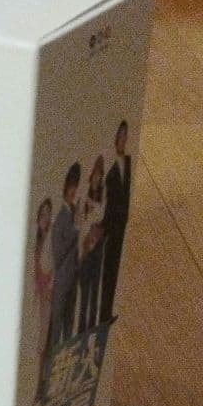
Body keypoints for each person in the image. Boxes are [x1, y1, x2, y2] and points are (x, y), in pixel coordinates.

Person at [100, 120, 132, 322]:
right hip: (111, 226)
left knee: (116, 268)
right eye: (119, 136)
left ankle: (108, 311)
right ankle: (104, 312)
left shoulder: (128, 162)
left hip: (122, 225)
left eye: (124, 136)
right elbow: (106, 201)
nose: (122, 139)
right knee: (109, 269)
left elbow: (127, 193)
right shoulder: (110, 168)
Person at [49, 161, 81, 348]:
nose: (73, 191)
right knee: (57, 326)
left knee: (69, 323)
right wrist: (75, 228)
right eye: (71, 186)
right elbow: (58, 254)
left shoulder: (74, 212)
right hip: (62, 280)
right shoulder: (60, 219)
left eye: (75, 186)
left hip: (73, 277)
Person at [77, 154, 106, 333]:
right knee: (84, 292)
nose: (97, 177)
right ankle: (81, 329)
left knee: (94, 290)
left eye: (100, 175)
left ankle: (92, 328)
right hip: (84, 249)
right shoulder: (84, 197)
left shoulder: (101, 198)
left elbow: (100, 217)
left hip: (96, 250)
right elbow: (81, 221)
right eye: (95, 174)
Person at [33, 197, 53, 400]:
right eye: (42, 214)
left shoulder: (50, 240)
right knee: (40, 342)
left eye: (48, 213)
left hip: (47, 296)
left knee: (44, 342)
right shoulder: (37, 240)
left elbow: (52, 267)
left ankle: (42, 386)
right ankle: (40, 386)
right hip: (37, 297)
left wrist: (48, 286)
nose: (45, 217)